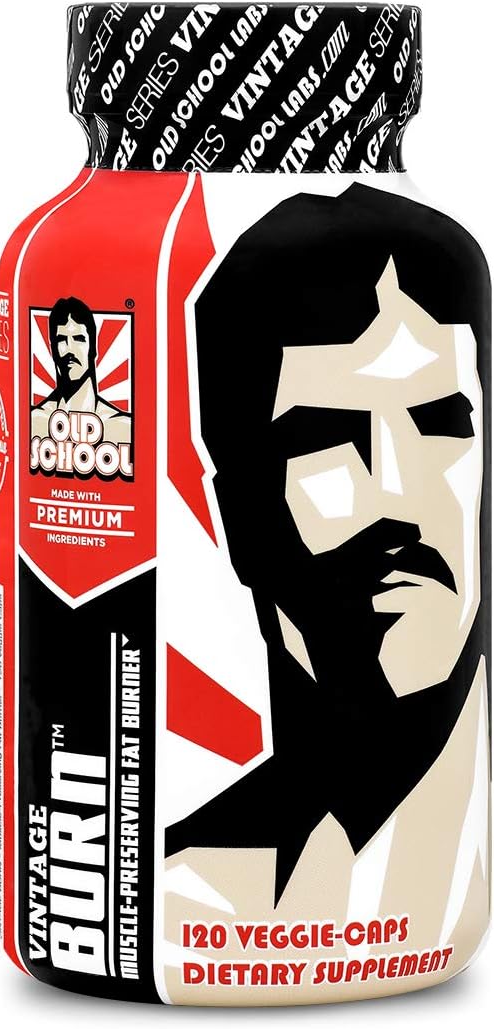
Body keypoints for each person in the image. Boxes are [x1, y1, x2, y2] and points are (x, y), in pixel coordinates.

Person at [165, 185, 488, 907]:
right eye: (324, 439)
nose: (397, 492)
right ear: (238, 515)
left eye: (442, 423)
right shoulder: (176, 889)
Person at [31, 296, 131, 445]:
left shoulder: (122, 427)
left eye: (78, 339)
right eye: (61, 339)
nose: (70, 349)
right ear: (52, 349)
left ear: (93, 348)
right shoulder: (36, 420)